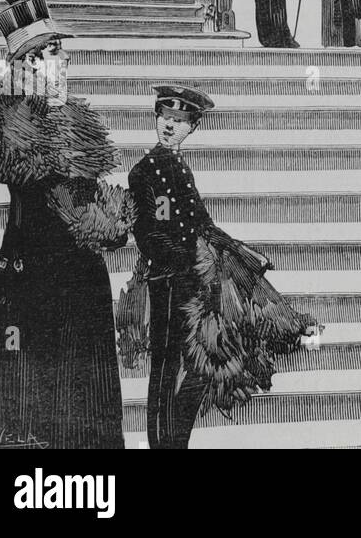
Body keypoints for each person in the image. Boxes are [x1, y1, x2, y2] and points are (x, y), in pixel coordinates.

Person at [0, 0, 132, 448]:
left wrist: (110, 219)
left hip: (81, 278)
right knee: (36, 398)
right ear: (30, 65)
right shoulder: (15, 121)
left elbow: (87, 194)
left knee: (87, 394)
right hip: (35, 279)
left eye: (60, 49)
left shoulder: (70, 115)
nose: (65, 58)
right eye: (53, 51)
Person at [121, 84, 315, 449]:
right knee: (164, 370)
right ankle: (163, 445)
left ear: (192, 128)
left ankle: (176, 441)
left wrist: (239, 251)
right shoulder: (144, 172)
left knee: (202, 366)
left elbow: (202, 224)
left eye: (179, 120)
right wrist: (191, 260)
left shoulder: (180, 168)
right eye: (165, 116)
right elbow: (149, 236)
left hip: (195, 280)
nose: (169, 125)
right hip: (168, 281)